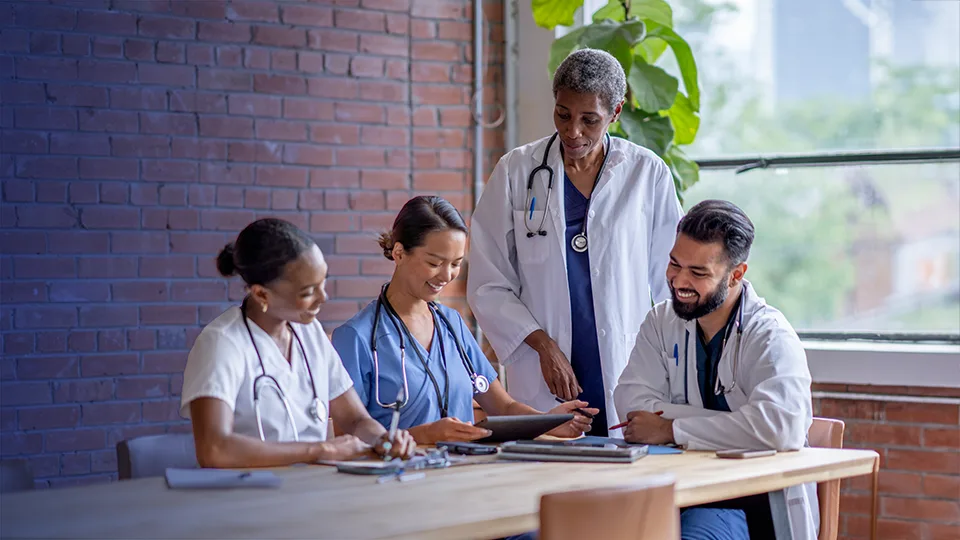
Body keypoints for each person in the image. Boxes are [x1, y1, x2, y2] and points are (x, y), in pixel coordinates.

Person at [467, 48, 684, 436]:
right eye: (563, 115)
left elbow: (669, 282)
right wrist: (543, 346)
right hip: (542, 366)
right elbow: (488, 281)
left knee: (622, 476)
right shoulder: (516, 171)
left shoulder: (646, 173)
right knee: (549, 477)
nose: (573, 132)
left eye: (590, 120)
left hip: (625, 359)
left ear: (616, 113)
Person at [614, 200, 819, 539]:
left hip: (750, 505)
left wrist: (672, 429)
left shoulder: (770, 336)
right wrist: (740, 425)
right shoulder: (660, 322)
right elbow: (633, 407)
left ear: (736, 274)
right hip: (673, 493)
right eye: (674, 264)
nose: (678, 280)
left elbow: (781, 428)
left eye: (698, 273)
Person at [332, 196, 597, 444]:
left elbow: (502, 406)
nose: (447, 275)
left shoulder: (452, 325)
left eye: (456, 263)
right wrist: (425, 435)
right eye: (435, 263)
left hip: (465, 472)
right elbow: (348, 438)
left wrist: (548, 422)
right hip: (396, 483)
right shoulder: (356, 338)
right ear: (399, 253)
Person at [180, 218, 416, 468]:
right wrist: (319, 450)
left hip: (310, 492)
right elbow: (214, 450)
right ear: (261, 294)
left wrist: (384, 439)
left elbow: (354, 419)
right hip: (247, 497)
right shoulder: (222, 343)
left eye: (322, 282)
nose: (323, 297)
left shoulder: (310, 333)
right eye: (307, 292)